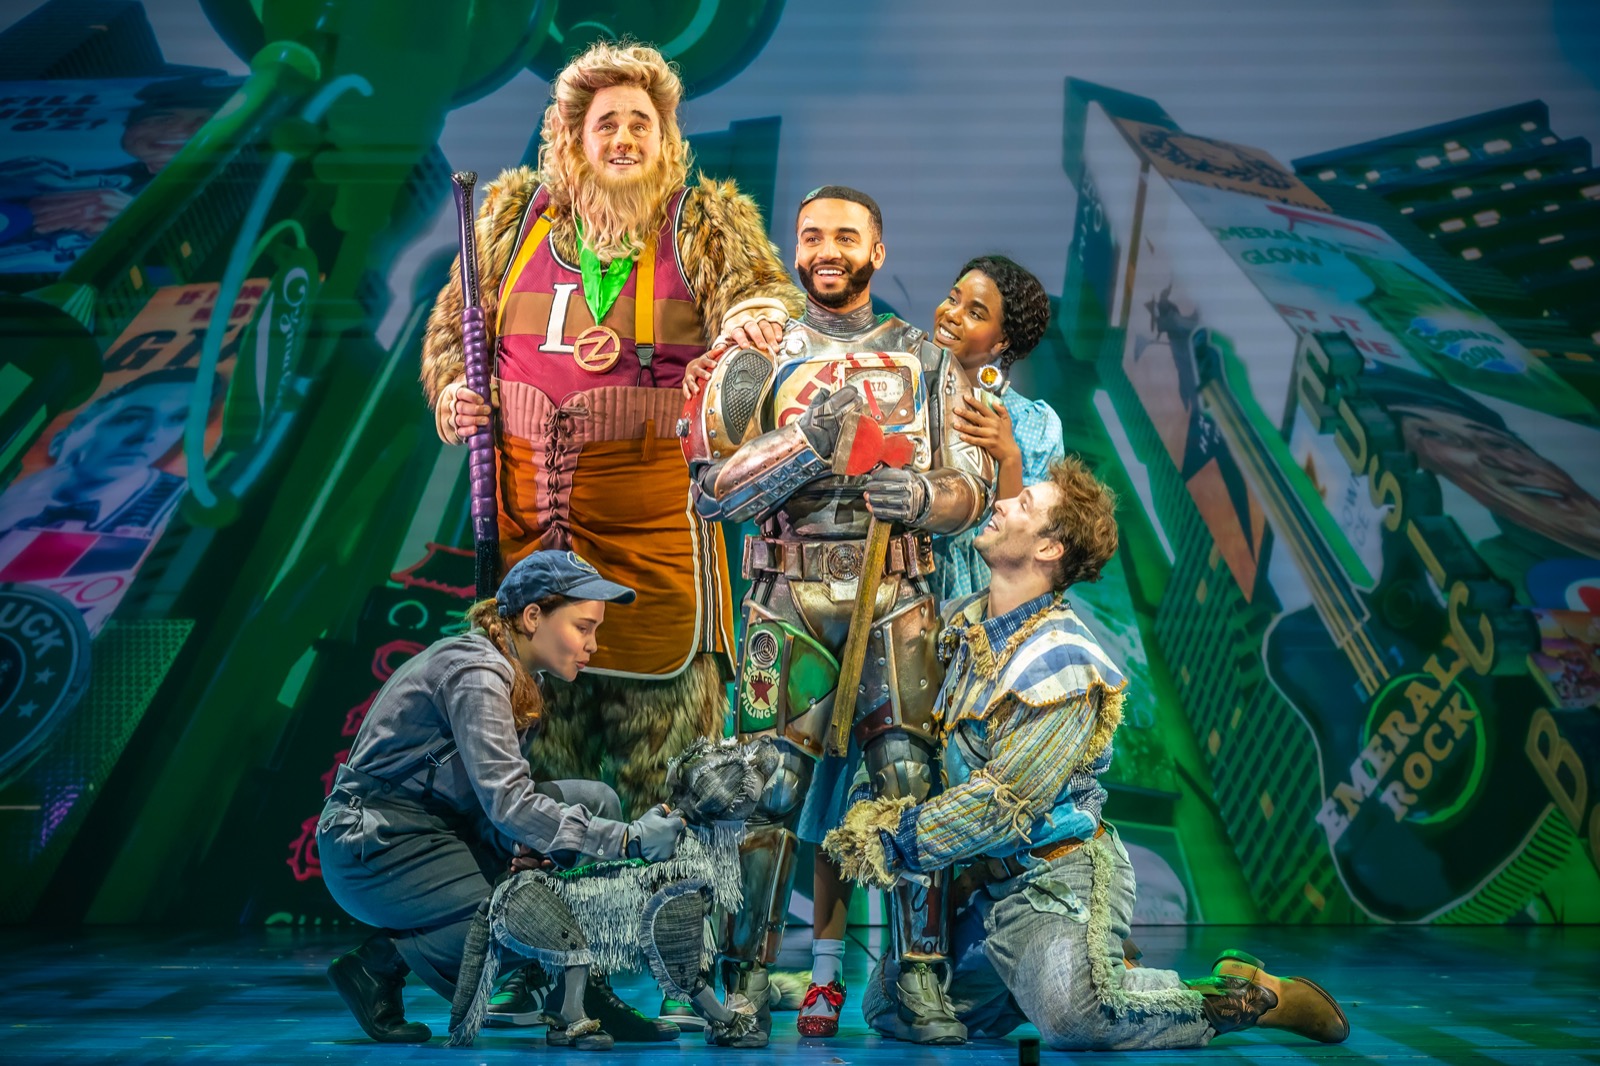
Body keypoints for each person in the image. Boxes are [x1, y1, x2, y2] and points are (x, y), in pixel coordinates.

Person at [823, 458, 1349, 1050]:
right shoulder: (957, 629)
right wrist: (874, 801)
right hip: (982, 889)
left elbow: (1005, 805)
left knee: (1074, 1017)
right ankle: (1084, 967)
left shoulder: (1063, 663)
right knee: (889, 1005)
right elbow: (906, 739)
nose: (1000, 503)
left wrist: (893, 837)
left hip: (1054, 878)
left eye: (1023, 505)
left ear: (1049, 548)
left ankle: (1243, 996)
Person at [422, 37, 801, 840]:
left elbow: (757, 293)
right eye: (607, 124)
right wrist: (453, 391)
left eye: (640, 124)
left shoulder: (702, 220)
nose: (624, 139)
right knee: (532, 763)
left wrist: (753, 322)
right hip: (529, 541)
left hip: (653, 546)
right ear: (572, 137)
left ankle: (665, 903)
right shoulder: (510, 220)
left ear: (666, 140)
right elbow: (457, 334)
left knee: (662, 776)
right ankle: (542, 907)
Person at [680, 185, 993, 1046]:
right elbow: (712, 492)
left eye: (846, 237)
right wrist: (805, 443)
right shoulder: (754, 357)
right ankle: (741, 981)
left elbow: (973, 487)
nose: (827, 250)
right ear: (794, 247)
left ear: (876, 252)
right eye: (812, 235)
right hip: (787, 599)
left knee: (908, 785)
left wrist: (924, 497)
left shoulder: (927, 361)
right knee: (767, 793)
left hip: (898, 601)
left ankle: (917, 980)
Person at [316, 549, 689, 1044]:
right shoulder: (477, 673)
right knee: (532, 907)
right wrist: (628, 841)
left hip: (442, 829)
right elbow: (508, 802)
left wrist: (524, 846)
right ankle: (377, 965)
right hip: (375, 843)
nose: (593, 644)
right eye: (582, 627)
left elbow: (493, 805)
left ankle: (580, 990)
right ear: (533, 617)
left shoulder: (522, 678)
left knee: (595, 801)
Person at [0, 368, 196, 538]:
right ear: (76, 426)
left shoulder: (180, 503)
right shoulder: (13, 490)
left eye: (177, 419)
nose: (149, 436)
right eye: (130, 419)